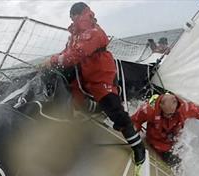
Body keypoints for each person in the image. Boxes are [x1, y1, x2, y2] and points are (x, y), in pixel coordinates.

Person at [44, 2, 145, 165]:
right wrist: (51, 60)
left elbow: (75, 54)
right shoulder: (75, 34)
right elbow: (67, 52)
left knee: (115, 111)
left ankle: (137, 145)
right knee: (75, 97)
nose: (71, 20)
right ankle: (95, 109)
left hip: (101, 75)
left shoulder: (93, 31)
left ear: (77, 15)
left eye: (72, 17)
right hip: (84, 74)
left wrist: (53, 60)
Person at [131, 92, 199, 164]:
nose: (170, 116)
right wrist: (135, 137)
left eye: (172, 113)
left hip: (175, 138)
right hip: (157, 140)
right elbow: (135, 120)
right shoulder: (149, 110)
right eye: (168, 114)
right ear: (160, 108)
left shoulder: (184, 108)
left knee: (186, 156)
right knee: (173, 162)